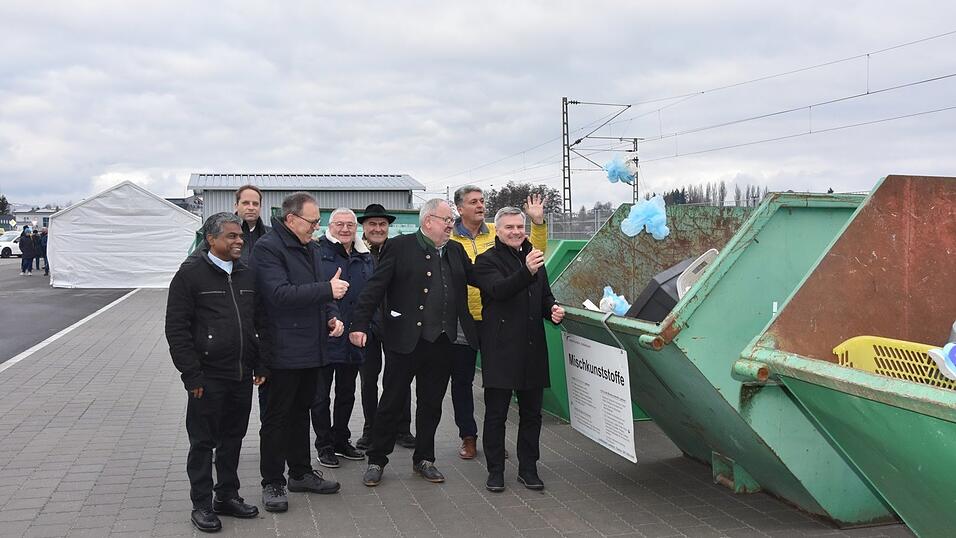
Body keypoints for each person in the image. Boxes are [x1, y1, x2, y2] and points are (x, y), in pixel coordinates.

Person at [350, 199, 478, 487]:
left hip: (442, 341)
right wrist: (359, 324)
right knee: (392, 401)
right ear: (428, 220)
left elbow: (481, 279)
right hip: (406, 340)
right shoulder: (400, 247)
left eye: (451, 220)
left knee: (431, 404)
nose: (450, 224)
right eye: (446, 219)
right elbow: (374, 288)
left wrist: (521, 273)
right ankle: (376, 459)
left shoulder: (455, 250)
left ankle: (424, 458)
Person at [165, 212, 269, 532]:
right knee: (202, 442)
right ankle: (201, 503)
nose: (239, 241)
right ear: (211, 239)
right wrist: (191, 375)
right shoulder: (190, 275)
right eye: (231, 237)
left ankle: (227, 495)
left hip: (241, 374)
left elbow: (260, 322)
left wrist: (261, 362)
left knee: (232, 439)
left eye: (240, 236)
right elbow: (176, 329)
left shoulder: (248, 274)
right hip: (207, 378)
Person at [253, 192, 347, 512]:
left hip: (312, 347)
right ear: (291, 219)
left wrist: (331, 316)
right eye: (312, 221)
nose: (316, 227)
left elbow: (322, 290)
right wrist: (326, 291)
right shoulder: (268, 248)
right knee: (277, 418)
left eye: (318, 221)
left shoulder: (311, 247)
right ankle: (272, 481)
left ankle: (301, 473)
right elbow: (278, 295)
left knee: (300, 413)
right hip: (282, 349)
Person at [448, 186, 548, 459]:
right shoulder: (451, 236)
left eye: (482, 201)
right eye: (473, 202)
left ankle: (494, 443)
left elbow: (533, 255)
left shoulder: (498, 230)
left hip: (499, 321)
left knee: (498, 388)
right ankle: (468, 436)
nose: (480, 206)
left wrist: (537, 222)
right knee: (462, 381)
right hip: (464, 319)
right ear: (460, 208)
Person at [473, 207, 565, 493]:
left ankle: (528, 469)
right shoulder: (486, 260)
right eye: (509, 227)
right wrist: (526, 270)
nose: (515, 232)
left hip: (532, 348)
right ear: (497, 231)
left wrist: (552, 309)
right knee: (496, 414)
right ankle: (495, 471)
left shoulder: (536, 258)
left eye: (519, 226)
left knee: (532, 414)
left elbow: (544, 295)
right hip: (500, 348)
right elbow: (499, 290)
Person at [312, 208, 372, 468]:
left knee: (346, 393)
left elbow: (372, 294)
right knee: (320, 395)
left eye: (350, 225)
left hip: (354, 336)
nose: (345, 229)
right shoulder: (317, 251)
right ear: (330, 225)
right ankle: (324, 445)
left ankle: (341, 439)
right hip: (326, 334)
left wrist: (370, 325)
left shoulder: (365, 255)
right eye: (340, 224)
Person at [354, 203, 415, 451]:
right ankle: (371, 428)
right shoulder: (356, 253)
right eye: (372, 224)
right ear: (364, 227)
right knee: (368, 380)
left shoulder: (399, 249)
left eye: (382, 224)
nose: (378, 228)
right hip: (367, 325)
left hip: (396, 323)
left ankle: (402, 428)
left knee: (399, 377)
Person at [234, 184, 271, 263]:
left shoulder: (272, 235)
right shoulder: (220, 234)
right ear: (236, 206)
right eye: (246, 203)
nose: (251, 208)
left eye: (255, 204)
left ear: (260, 207)